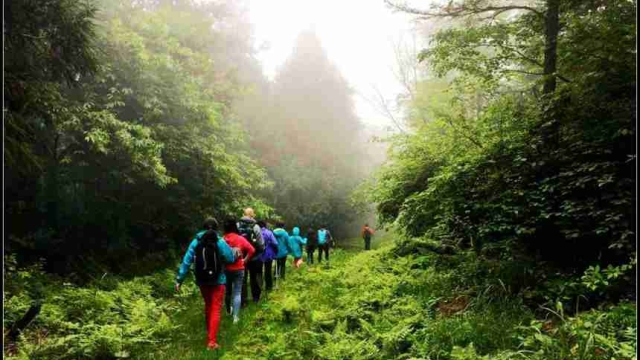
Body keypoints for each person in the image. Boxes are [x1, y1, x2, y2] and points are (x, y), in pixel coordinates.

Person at [175, 218, 235, 350]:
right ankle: (212, 342)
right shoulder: (219, 241)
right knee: (216, 308)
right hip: (218, 280)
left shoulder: (196, 241)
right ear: (216, 228)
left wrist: (179, 279)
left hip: (202, 280)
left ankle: (210, 334)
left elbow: (187, 261)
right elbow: (230, 258)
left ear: (203, 227)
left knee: (208, 305)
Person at [222, 217, 255, 324]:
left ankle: (228, 310)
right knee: (237, 292)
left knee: (227, 291)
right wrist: (245, 260)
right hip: (239, 268)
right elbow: (252, 249)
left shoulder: (222, 239)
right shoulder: (240, 238)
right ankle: (235, 317)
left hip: (226, 269)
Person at [237, 208, 265, 306]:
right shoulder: (256, 226)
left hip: (241, 257)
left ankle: (243, 301)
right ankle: (256, 298)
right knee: (254, 276)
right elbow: (261, 243)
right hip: (254, 256)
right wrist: (260, 251)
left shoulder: (237, 225)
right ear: (252, 215)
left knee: (242, 278)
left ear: (243, 214)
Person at [257, 220, 278, 292]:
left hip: (258, 255)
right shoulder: (269, 232)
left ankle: (259, 287)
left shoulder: (256, 233)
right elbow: (275, 243)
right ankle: (268, 288)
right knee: (268, 271)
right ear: (265, 225)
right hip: (268, 254)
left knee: (258, 272)